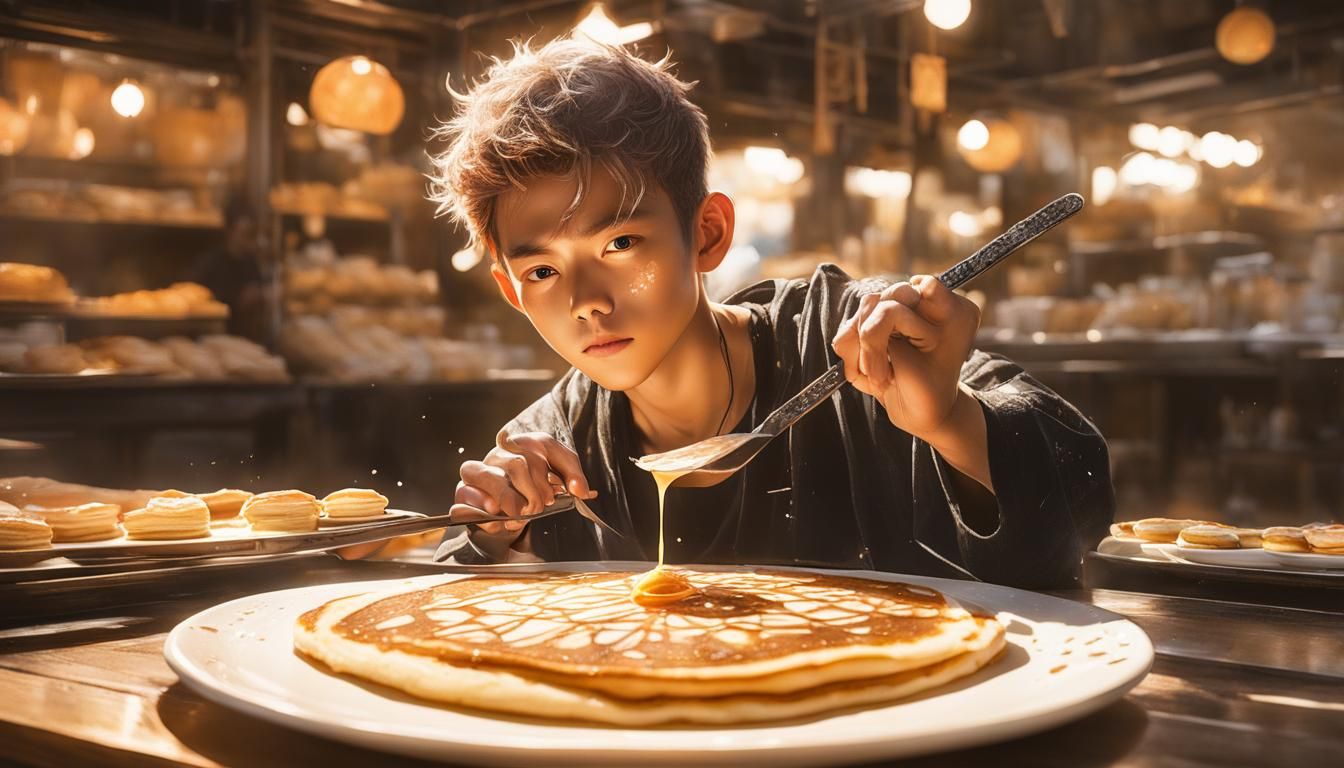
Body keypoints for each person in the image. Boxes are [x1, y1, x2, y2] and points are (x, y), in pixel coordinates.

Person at [425, 37, 1113, 589]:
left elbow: (1083, 500)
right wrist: (495, 538)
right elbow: (458, 610)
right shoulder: (549, 446)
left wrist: (953, 419)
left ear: (707, 234)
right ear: (512, 290)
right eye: (543, 271)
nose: (587, 302)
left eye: (621, 244)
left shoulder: (855, 340)